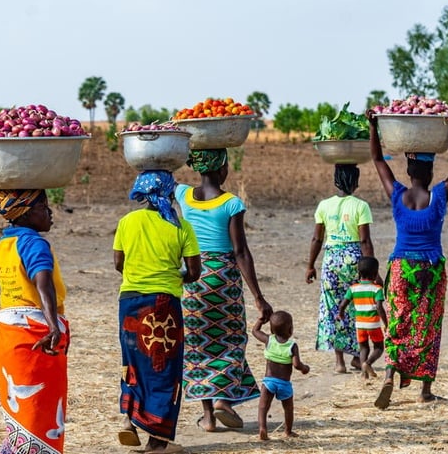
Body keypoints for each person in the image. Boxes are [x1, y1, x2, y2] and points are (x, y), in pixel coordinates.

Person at [366, 108, 448, 409]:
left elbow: (376, 159)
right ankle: (424, 390)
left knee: (399, 322)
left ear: (410, 172)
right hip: (430, 269)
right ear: (429, 173)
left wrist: (373, 126)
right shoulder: (439, 196)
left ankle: (389, 374)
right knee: (428, 326)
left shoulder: (397, 194)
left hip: (401, 268)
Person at [176, 149, 273, 432]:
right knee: (230, 341)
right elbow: (241, 252)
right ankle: (223, 400)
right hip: (224, 280)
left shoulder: (183, 195)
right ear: (221, 169)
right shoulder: (232, 203)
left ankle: (207, 417)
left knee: (198, 344)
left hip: (193, 280)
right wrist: (258, 296)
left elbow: (161, 172)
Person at [114, 170, 201, 454]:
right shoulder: (181, 227)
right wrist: (176, 277)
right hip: (164, 306)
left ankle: (128, 418)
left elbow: (119, 263)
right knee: (164, 369)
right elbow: (195, 271)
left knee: (134, 363)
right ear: (169, 192)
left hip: (129, 303)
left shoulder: (127, 222)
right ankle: (157, 441)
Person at [0, 189, 70, 453]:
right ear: (26, 212)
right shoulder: (34, 243)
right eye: (44, 207)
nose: (50, 213)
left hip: (7, 339)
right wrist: (53, 326)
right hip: (35, 340)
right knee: (39, 416)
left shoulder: (3, 245)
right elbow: (43, 284)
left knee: (21, 418)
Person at [305, 163, 376, 374]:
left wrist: (310, 265)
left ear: (336, 181)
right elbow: (365, 241)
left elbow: (317, 238)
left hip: (331, 260)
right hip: (354, 260)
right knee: (357, 306)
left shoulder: (324, 206)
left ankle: (339, 362)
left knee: (333, 308)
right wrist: (373, 271)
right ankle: (357, 356)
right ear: (355, 182)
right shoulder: (360, 206)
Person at [251, 311, 309, 440]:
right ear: (291, 329)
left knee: (263, 406)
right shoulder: (292, 346)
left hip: (268, 382)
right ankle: (288, 431)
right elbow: (296, 364)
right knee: (288, 408)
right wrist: (305, 368)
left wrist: (260, 320)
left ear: (271, 329)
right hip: (284, 384)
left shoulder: (269, 340)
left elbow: (255, 331)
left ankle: (262, 428)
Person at [336, 256, 387, 379]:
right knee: (379, 347)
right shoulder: (377, 289)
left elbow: (343, 304)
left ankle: (364, 374)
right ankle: (367, 363)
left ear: (359, 273)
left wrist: (341, 313)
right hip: (373, 324)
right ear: (375, 274)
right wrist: (386, 322)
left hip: (359, 324)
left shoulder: (353, 288)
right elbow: (379, 307)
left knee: (363, 348)